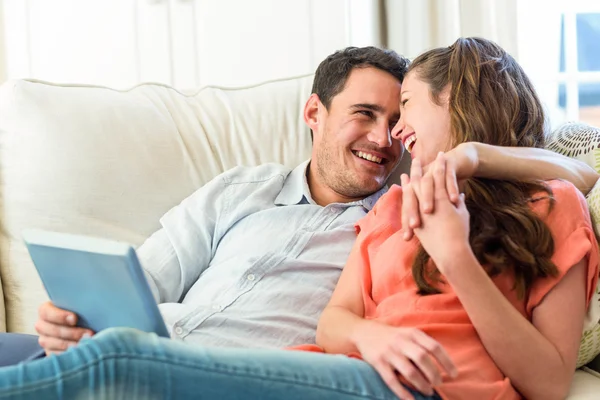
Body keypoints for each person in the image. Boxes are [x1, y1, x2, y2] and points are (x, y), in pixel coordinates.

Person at [0, 40, 596, 400]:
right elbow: (338, 320)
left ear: (456, 103)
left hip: (381, 384)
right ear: (314, 113)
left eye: (403, 109)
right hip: (254, 357)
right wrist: (78, 317)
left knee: (117, 361)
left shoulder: (533, 204)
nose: (392, 137)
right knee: (47, 350)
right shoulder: (381, 208)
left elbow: (578, 175)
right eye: (368, 114)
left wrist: (466, 185)